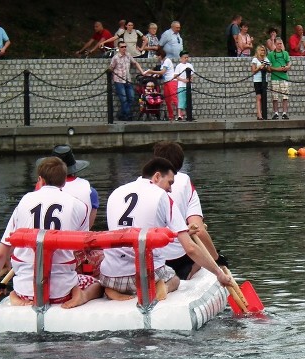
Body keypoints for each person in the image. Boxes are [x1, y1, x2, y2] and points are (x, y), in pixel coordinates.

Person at [100, 158, 233, 301]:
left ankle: (111, 290)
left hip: (111, 276)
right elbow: (190, 248)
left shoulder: (116, 192)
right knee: (174, 279)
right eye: (170, 182)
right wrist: (218, 273)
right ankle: (161, 289)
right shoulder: (162, 196)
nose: (170, 189)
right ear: (157, 176)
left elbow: (131, 229)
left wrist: (181, 232)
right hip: (145, 278)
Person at [0, 157, 101, 309]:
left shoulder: (24, 201)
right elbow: (81, 248)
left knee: (21, 278)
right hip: (61, 292)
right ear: (64, 182)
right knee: (98, 285)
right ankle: (81, 296)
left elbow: (0, 255)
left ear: (40, 179)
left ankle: (15, 295)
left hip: (26, 290)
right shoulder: (78, 206)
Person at [153, 142, 224, 281]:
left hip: (149, 258)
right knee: (203, 250)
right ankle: (189, 273)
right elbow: (200, 231)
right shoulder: (184, 181)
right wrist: (217, 258)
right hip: (177, 259)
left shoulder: (141, 183)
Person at [42, 145, 99, 229]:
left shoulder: (40, 190)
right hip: (77, 240)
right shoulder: (90, 191)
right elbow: (87, 227)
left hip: (44, 239)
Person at [109, 40, 145, 121]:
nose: (124, 48)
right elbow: (111, 68)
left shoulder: (128, 55)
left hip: (128, 80)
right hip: (119, 81)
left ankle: (121, 114)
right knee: (123, 99)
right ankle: (128, 116)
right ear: (119, 48)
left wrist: (142, 71)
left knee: (131, 98)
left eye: (125, 46)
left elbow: (135, 63)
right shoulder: (115, 58)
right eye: (122, 47)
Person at [143, 47, 177, 120]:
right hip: (166, 82)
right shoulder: (162, 62)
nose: (157, 57)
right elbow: (161, 74)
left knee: (174, 98)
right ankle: (171, 116)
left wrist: (151, 71)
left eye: (158, 56)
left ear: (160, 55)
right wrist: (153, 75)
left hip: (171, 81)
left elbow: (162, 72)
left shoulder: (167, 61)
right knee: (167, 99)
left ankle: (180, 114)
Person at [268, 38, 292, 119]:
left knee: (285, 96)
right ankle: (276, 113)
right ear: (275, 44)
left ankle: (284, 112)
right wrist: (276, 69)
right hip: (275, 77)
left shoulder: (285, 53)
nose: (280, 45)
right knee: (275, 96)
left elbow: (289, 63)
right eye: (278, 44)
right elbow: (268, 66)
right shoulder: (271, 54)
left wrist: (287, 67)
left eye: (281, 43)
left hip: (284, 77)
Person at [251, 45, 271, 120]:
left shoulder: (266, 59)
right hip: (257, 80)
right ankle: (259, 114)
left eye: (264, 50)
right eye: (261, 50)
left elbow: (269, 70)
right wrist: (259, 68)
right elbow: (253, 71)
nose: (263, 52)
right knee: (258, 97)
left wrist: (265, 67)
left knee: (263, 97)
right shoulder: (255, 60)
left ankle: (263, 113)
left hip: (264, 80)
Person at [173, 50, 194, 121]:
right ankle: (179, 115)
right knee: (181, 100)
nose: (186, 59)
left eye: (187, 57)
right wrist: (183, 80)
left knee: (188, 101)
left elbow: (193, 74)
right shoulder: (179, 66)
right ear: (181, 58)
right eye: (185, 57)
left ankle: (188, 115)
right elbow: (175, 76)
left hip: (188, 86)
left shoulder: (190, 65)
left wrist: (191, 79)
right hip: (181, 85)